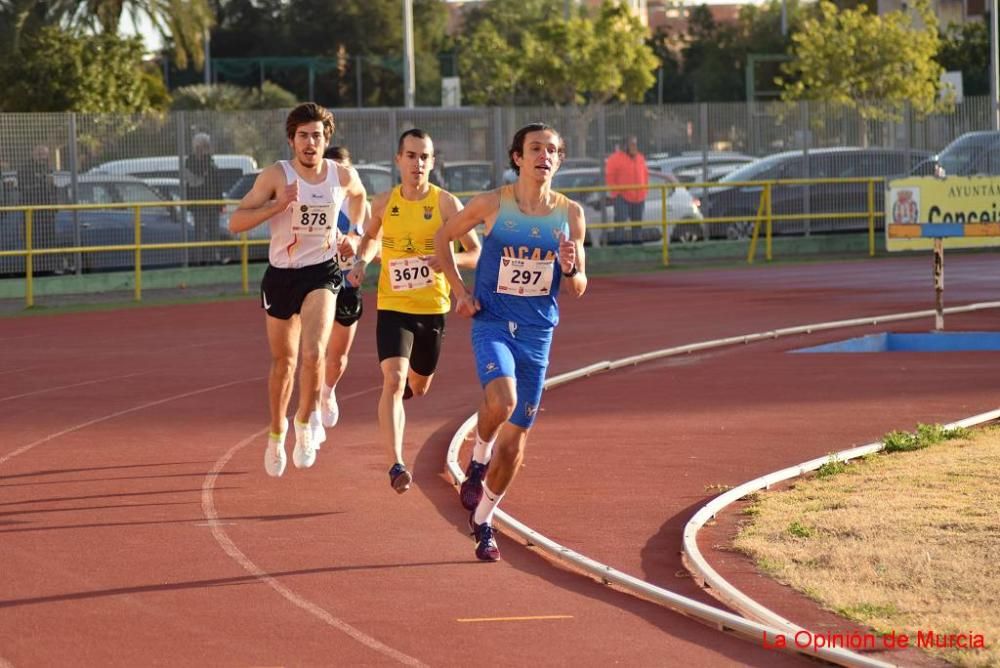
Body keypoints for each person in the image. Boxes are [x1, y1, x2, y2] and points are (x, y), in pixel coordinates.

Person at [434, 122, 587, 561]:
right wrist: (459, 293)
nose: (544, 156)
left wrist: (571, 266)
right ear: (517, 157)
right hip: (494, 322)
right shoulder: (491, 205)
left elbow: (578, 286)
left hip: (538, 333)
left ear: (559, 160)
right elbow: (442, 238)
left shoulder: (570, 214)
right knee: (501, 400)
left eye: (552, 150)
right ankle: (477, 459)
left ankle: (483, 521)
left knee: (517, 442)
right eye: (535, 148)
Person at [229, 102, 367, 477]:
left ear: (326, 140)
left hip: (321, 271)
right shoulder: (277, 175)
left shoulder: (340, 175)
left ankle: (305, 424)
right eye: (303, 136)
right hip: (280, 276)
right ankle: (277, 432)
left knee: (313, 352)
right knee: (284, 362)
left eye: (317, 136)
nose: (310, 142)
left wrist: (353, 235)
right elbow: (236, 222)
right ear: (292, 140)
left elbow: (359, 198)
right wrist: (277, 205)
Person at [346, 128, 480, 494]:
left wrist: (447, 259)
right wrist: (361, 262)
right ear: (398, 160)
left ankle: (404, 395)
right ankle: (396, 464)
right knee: (392, 379)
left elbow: (475, 251)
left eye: (424, 157)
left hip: (432, 309)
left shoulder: (446, 203)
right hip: (393, 305)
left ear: (432, 162)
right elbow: (371, 236)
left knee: (418, 387)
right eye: (411, 156)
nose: (417, 163)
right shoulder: (384, 201)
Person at [318, 145, 369, 428]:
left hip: (347, 284)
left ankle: (327, 392)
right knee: (313, 351)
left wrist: (359, 254)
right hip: (315, 281)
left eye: (343, 170)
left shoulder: (359, 203)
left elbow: (372, 239)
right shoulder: (313, 196)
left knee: (336, 357)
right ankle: (310, 411)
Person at [185, 132, 223, 264]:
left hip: (212, 204)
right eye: (203, 146)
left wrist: (220, 202)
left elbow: (217, 182)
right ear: (197, 147)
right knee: (199, 234)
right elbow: (195, 179)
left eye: (207, 146)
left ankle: (213, 259)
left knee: (214, 233)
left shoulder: (211, 162)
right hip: (199, 204)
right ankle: (198, 261)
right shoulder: (190, 162)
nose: (206, 149)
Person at [605, 135, 648, 244]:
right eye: (632, 144)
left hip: (639, 197)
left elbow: (645, 175)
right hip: (622, 197)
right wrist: (616, 193)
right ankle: (618, 247)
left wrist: (644, 190)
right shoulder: (614, 159)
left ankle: (637, 246)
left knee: (637, 224)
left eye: (635, 144)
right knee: (620, 222)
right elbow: (610, 177)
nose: (634, 147)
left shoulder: (640, 158)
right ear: (625, 146)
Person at [16, 144, 58, 255]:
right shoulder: (25, 169)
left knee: (48, 243)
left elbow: (53, 190)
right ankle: (35, 270)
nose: (42, 157)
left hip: (48, 213)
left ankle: (48, 269)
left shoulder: (48, 168)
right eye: (40, 154)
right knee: (33, 244)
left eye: (45, 155)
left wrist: (54, 205)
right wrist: (41, 183)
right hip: (32, 214)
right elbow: (22, 188)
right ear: (33, 154)